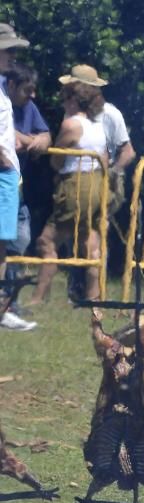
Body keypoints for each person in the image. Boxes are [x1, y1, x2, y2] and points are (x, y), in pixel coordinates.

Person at [57, 64, 134, 300]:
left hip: (102, 182)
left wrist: (111, 173)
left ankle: (93, 294)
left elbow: (128, 151)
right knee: (79, 237)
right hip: (76, 180)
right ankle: (81, 288)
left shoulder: (109, 113)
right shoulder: (72, 113)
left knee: (94, 236)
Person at [28, 80, 108, 305]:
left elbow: (56, 160)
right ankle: (95, 299)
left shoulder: (71, 125)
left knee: (47, 241)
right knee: (90, 243)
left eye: (65, 99)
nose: (63, 103)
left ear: (73, 100)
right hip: (96, 186)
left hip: (75, 186)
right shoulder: (97, 127)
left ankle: (38, 298)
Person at [3, 63, 49, 317]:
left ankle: (10, 302)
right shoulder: (2, 101)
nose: (32, 95)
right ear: (11, 86)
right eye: (26, 90)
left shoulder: (29, 107)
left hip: (17, 188)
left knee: (20, 240)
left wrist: (36, 139)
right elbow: (10, 138)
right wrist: (31, 140)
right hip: (5, 182)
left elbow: (45, 138)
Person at [0, 22, 36, 331]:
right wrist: (6, 162)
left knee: (3, 243)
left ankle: (1, 307)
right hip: (2, 172)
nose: (13, 56)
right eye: (8, 50)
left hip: (8, 174)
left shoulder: (2, 85)